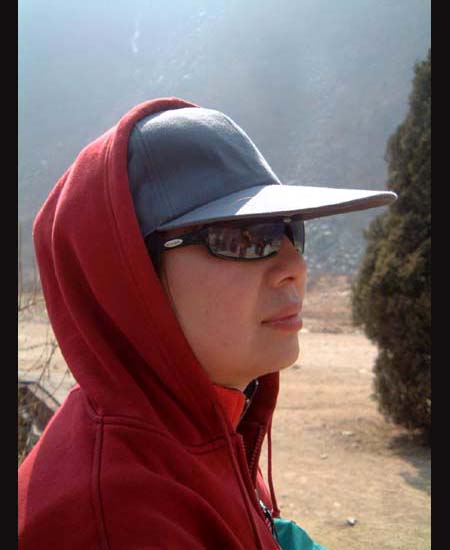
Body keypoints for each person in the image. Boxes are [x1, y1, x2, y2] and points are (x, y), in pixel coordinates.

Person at [18, 97, 396, 549]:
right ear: (130, 278)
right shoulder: (119, 516)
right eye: (245, 238)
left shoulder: (201, 426)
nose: (294, 265)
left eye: (291, 230)